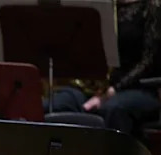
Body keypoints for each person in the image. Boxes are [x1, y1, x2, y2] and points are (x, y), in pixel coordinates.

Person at [47, 0, 160, 135]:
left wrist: (113, 90)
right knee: (56, 104)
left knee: (113, 109)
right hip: (97, 86)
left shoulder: (152, 6)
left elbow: (149, 60)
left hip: (137, 87)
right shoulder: (100, 5)